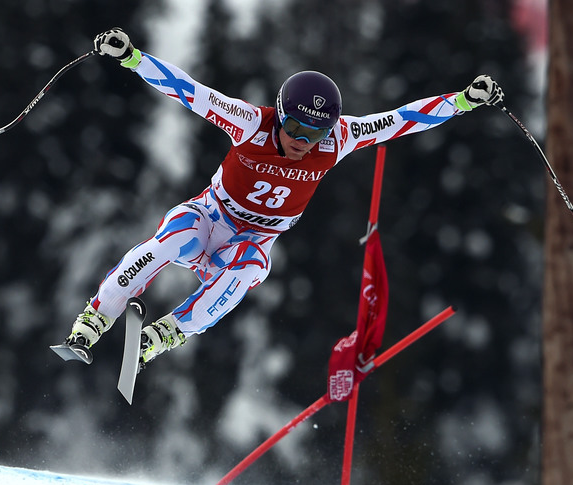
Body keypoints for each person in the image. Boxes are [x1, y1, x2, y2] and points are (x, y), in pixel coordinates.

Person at [62, 27, 504, 370]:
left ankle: (164, 336)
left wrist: (465, 100)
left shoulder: (340, 139)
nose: (301, 141)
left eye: (315, 133)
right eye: (294, 127)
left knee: (250, 269)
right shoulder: (251, 122)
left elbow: (402, 120)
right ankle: (94, 320)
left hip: (253, 237)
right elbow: (189, 91)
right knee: (172, 243)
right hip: (209, 216)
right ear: (280, 114)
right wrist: (132, 57)